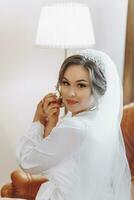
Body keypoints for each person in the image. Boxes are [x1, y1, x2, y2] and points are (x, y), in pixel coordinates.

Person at [16, 49, 132, 200]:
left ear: (98, 89)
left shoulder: (74, 127)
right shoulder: (99, 123)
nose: (71, 93)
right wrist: (51, 123)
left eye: (81, 85)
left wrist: (37, 120)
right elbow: (58, 159)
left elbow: (28, 162)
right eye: (66, 83)